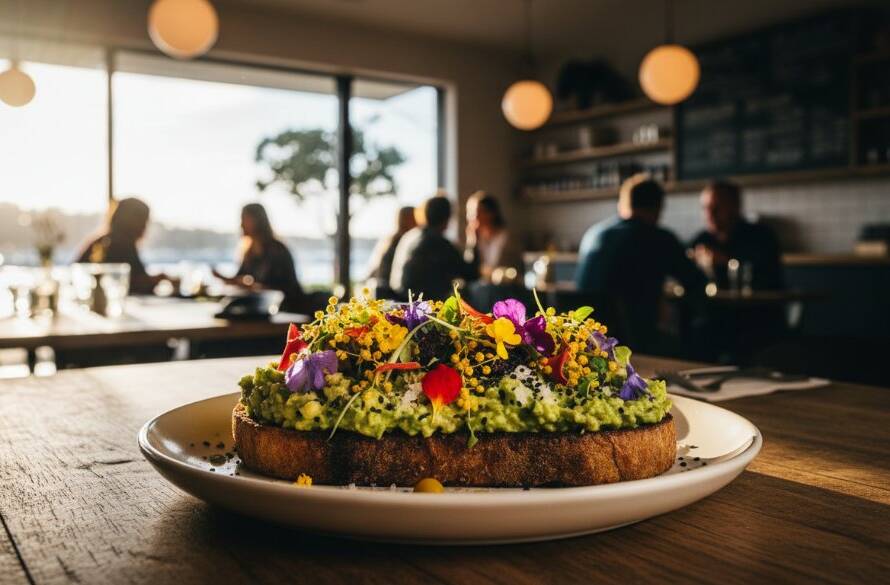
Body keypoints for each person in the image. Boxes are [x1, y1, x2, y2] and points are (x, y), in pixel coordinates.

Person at [575, 175, 706, 352]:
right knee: (693, 339)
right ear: (658, 208)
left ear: (622, 204)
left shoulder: (593, 234)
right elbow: (696, 281)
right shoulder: (659, 238)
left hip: (586, 342)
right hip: (633, 342)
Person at [689, 180, 783, 291]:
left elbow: (767, 280)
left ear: (735, 207)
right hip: (715, 306)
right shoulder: (702, 240)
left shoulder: (761, 237)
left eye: (716, 208)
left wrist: (725, 261)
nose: (709, 214)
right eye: (705, 208)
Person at [213, 203, 306, 312]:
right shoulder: (249, 252)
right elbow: (240, 278)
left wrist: (253, 287)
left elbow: (285, 289)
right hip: (262, 310)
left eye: (244, 219)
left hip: (286, 311)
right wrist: (223, 278)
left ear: (257, 221)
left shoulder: (277, 250)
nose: (241, 225)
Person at [76, 197, 173, 294]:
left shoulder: (101, 241)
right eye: (144, 220)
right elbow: (134, 284)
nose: (145, 226)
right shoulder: (121, 244)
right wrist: (161, 278)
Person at [390, 195, 479, 300]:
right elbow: (471, 274)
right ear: (447, 218)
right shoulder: (440, 244)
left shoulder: (409, 236)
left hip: (400, 299)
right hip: (424, 305)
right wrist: (472, 239)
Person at [465, 191, 523, 282]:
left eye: (475, 212)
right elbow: (470, 270)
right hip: (482, 287)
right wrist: (472, 242)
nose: (470, 217)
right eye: (469, 212)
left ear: (490, 213)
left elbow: (513, 271)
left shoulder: (507, 238)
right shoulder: (476, 238)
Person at [365, 205, 416, 290]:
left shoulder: (388, 240)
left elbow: (373, 271)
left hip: (380, 289)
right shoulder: (406, 241)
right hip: (393, 293)